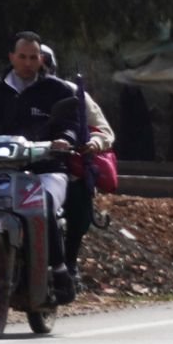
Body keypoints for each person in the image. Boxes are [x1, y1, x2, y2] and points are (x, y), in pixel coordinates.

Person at [0, 32, 84, 304]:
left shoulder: (58, 90)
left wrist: (64, 140)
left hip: (45, 169)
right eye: (22, 56)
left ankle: (59, 272)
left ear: (41, 59)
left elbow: (72, 125)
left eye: (34, 57)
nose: (28, 63)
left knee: (42, 203)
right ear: (11, 57)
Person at [38, 42, 115, 288]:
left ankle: (69, 263)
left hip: (61, 165)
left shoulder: (71, 92)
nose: (32, 69)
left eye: (40, 64)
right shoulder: (7, 91)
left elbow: (104, 130)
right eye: (25, 61)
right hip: (18, 163)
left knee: (78, 199)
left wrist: (93, 142)